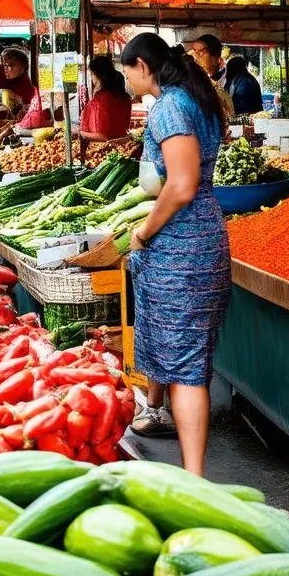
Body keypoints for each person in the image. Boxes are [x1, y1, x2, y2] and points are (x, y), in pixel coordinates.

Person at [120, 33, 230, 476]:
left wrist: (144, 233)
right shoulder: (196, 100)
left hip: (181, 250)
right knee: (188, 358)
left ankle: (194, 482)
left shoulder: (169, 107)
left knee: (186, 367)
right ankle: (192, 473)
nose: (125, 80)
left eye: (127, 71)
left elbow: (181, 185)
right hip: (204, 237)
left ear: (143, 66)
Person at [79, 55, 133, 141]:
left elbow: (103, 136)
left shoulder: (101, 100)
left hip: (103, 150)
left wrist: (79, 133)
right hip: (122, 146)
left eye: (92, 74)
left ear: (99, 76)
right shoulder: (124, 97)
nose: (92, 78)